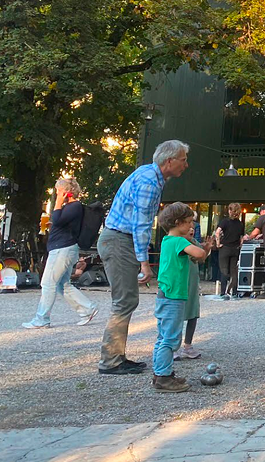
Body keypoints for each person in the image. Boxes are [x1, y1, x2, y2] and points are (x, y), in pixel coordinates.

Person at [98, 140, 189, 376]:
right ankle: (110, 361)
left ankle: (116, 357)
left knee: (126, 300)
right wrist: (145, 264)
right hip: (120, 241)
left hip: (118, 239)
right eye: (183, 160)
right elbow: (140, 225)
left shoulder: (149, 175)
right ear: (169, 161)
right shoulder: (150, 182)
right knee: (124, 301)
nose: (186, 165)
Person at [22, 178, 99, 329]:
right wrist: (52, 223)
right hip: (64, 248)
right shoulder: (72, 207)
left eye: (59, 191)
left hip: (62, 249)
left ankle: (42, 318)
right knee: (62, 285)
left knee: (48, 283)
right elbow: (61, 222)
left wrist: (57, 202)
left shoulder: (73, 206)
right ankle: (87, 309)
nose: (57, 193)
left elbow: (57, 219)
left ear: (66, 193)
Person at [151, 203, 210, 393]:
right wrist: (198, 245)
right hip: (174, 296)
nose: (191, 226)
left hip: (165, 295)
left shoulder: (167, 241)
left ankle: (160, 372)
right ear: (178, 223)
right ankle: (163, 377)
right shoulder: (179, 241)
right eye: (188, 222)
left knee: (163, 337)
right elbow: (199, 254)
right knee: (171, 338)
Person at [175, 219, 210, 361]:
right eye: (189, 226)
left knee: (193, 314)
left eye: (193, 227)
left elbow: (200, 259)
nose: (191, 229)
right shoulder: (177, 242)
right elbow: (197, 255)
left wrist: (206, 249)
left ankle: (188, 346)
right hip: (179, 285)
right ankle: (173, 347)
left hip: (193, 284)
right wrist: (203, 251)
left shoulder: (194, 242)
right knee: (176, 316)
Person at [212, 203, 243, 298]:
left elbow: (217, 233)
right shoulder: (240, 224)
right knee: (234, 271)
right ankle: (234, 292)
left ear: (230, 211)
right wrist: (239, 246)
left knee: (224, 270)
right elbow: (241, 238)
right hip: (235, 249)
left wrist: (218, 244)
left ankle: (223, 292)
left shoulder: (225, 222)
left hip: (225, 248)